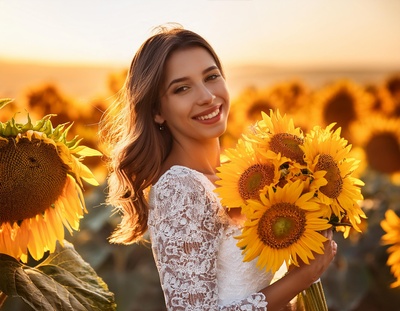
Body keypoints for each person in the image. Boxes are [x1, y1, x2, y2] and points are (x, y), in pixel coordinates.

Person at [99, 24, 337, 310]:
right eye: (182, 88)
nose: (207, 96)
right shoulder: (179, 189)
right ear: (157, 111)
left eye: (211, 77)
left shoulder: (245, 176)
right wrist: (303, 277)